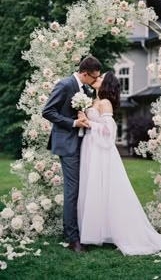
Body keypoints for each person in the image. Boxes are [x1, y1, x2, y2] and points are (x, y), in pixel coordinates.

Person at [77, 71, 161, 255]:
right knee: (92, 186)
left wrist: (90, 124)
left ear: (105, 83)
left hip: (101, 150)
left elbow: (109, 131)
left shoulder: (105, 103)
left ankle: (114, 230)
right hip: (90, 146)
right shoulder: (92, 100)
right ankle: (96, 230)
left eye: (100, 78)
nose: (96, 79)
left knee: (106, 188)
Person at [42, 56, 102, 253]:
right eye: (94, 78)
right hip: (67, 144)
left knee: (80, 188)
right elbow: (48, 111)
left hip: (81, 143)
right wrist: (74, 123)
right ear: (85, 74)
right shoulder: (65, 84)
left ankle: (82, 230)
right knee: (72, 190)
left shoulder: (84, 88)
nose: (95, 82)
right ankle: (73, 238)